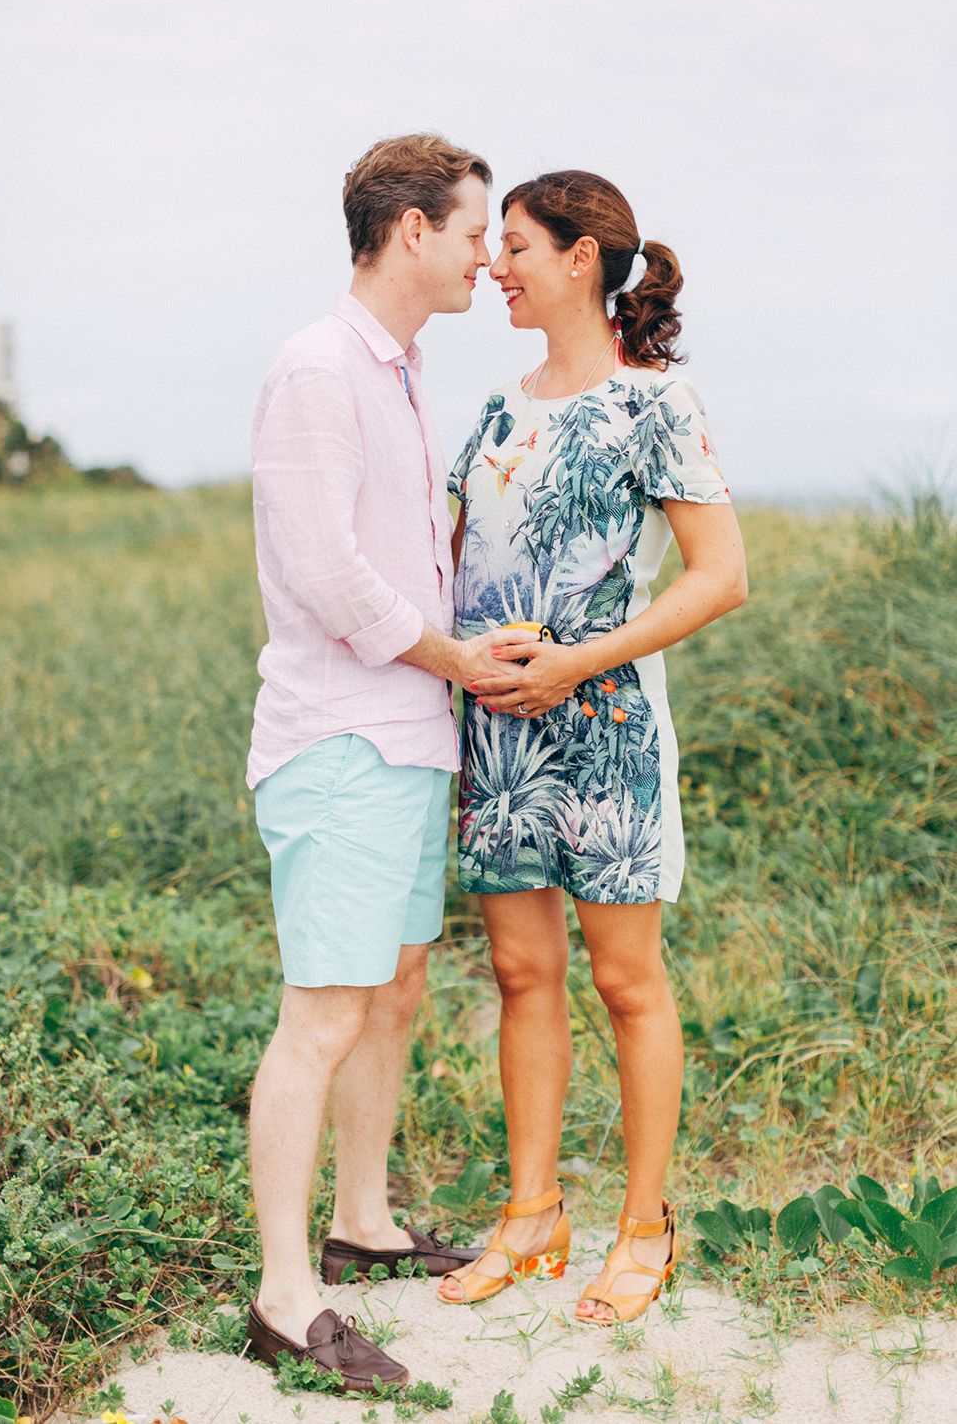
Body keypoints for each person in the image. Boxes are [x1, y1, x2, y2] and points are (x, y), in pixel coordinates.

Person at [244, 134, 538, 1392]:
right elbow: (323, 573)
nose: (486, 256)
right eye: (475, 233)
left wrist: (468, 657)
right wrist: (456, 659)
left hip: (411, 734)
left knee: (398, 987)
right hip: (342, 738)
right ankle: (284, 1295)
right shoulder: (317, 369)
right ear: (411, 230)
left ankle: (361, 1222)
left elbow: (409, 556)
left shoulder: (406, 372)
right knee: (322, 1011)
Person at [437, 171, 748, 1324]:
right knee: (521, 974)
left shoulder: (654, 402)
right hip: (499, 735)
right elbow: (459, 564)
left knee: (625, 982)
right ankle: (531, 1217)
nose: (495, 268)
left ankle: (645, 1226)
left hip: (606, 729)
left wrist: (578, 658)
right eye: (495, 246)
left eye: (514, 247)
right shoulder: (494, 411)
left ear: (581, 260)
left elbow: (722, 579)